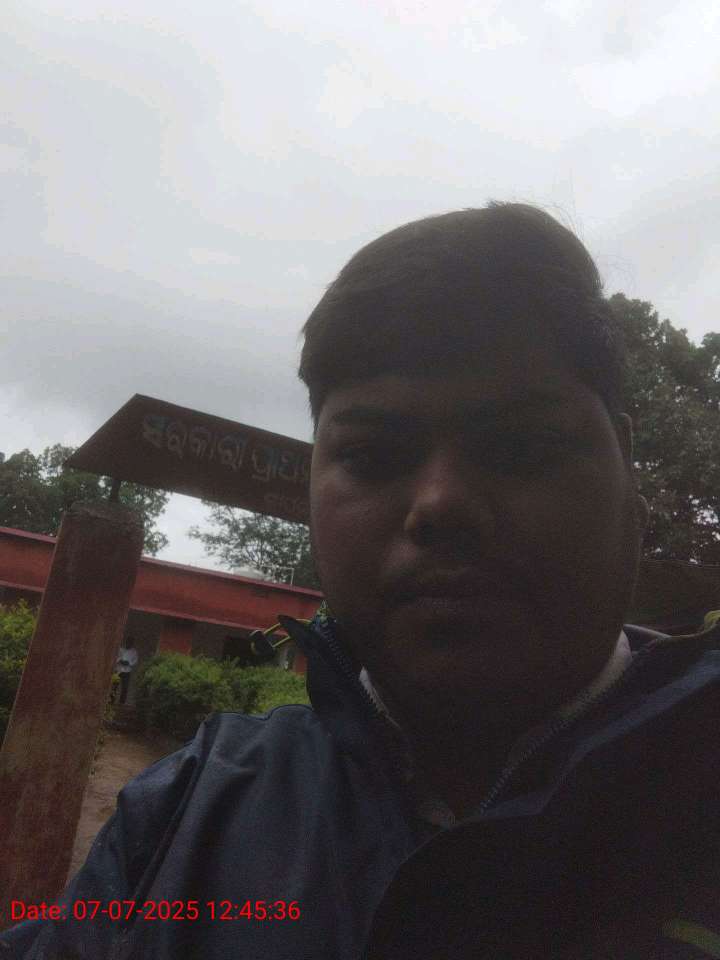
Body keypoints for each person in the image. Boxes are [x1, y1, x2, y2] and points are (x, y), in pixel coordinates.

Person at [2, 203, 720, 958]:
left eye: (523, 447)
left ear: (627, 467)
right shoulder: (183, 810)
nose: (440, 503)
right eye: (373, 456)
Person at [115, 636, 139, 705]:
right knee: (114, 686)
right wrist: (120, 660)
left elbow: (135, 661)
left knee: (125, 688)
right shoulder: (120, 649)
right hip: (118, 670)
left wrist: (129, 663)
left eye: (131, 642)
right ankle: (111, 701)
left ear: (132, 643)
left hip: (127, 672)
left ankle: (121, 703)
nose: (129, 643)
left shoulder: (134, 652)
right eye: (128, 641)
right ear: (126, 642)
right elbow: (116, 657)